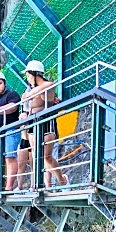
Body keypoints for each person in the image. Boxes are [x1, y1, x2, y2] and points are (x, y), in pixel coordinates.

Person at [19, 60, 66, 188]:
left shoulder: (47, 86)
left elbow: (49, 85)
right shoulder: (30, 89)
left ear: (35, 74)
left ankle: (61, 180)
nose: (28, 79)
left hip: (46, 121)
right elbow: (26, 108)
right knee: (37, 156)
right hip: (33, 123)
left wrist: (29, 94)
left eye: (29, 75)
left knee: (47, 156)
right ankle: (44, 185)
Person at [0, 71, 23, 191]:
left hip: (10, 128)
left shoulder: (12, 94)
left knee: (10, 156)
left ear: (4, 84)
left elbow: (13, 107)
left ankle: (9, 186)